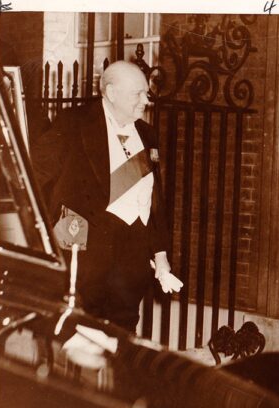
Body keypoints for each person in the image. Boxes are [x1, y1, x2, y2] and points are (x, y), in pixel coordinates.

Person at [31, 60, 178, 332]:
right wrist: (52, 228)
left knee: (122, 335)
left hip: (131, 261)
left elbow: (154, 196)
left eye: (146, 93)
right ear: (111, 93)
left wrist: (160, 253)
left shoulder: (147, 134)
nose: (146, 100)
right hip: (86, 256)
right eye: (138, 93)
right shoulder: (73, 122)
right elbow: (34, 177)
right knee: (80, 334)